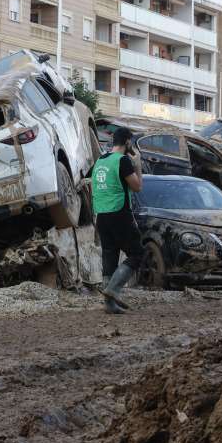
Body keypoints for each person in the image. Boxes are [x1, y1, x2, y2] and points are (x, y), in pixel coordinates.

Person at [91, 126, 144, 314]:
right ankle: (112, 290)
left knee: (110, 254)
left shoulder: (100, 161)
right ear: (128, 142)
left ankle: (109, 305)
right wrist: (137, 164)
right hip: (119, 212)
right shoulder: (123, 161)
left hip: (101, 215)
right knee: (137, 253)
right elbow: (137, 187)